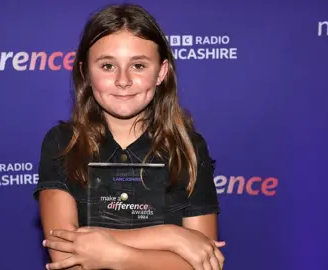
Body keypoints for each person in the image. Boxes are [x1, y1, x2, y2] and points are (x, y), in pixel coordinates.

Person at [33, 3, 225, 270]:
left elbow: (205, 262)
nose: (123, 80)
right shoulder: (62, 143)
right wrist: (171, 236)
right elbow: (67, 259)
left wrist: (114, 255)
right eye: (108, 66)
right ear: (85, 73)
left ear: (161, 72)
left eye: (138, 65)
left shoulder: (189, 147)